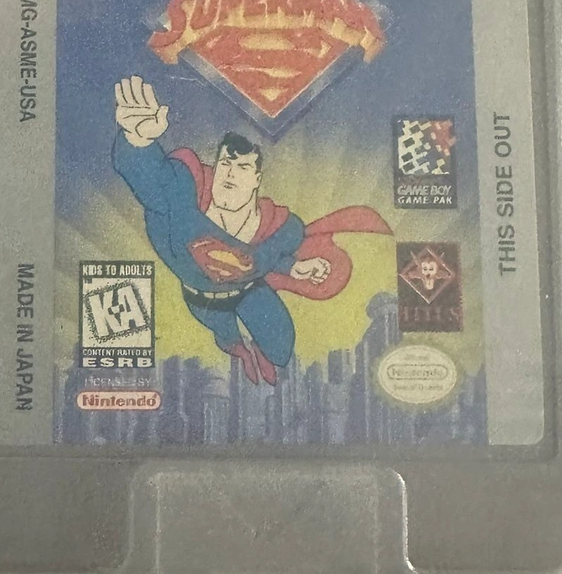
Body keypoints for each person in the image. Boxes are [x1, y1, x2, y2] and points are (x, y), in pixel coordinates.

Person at [112, 76, 391, 383]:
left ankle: (261, 358)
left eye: (242, 167)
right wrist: (138, 140)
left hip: (249, 292)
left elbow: (266, 255)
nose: (230, 174)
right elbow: (152, 181)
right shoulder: (184, 193)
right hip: (202, 300)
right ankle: (242, 353)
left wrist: (294, 267)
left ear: (257, 178)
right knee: (227, 337)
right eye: (225, 164)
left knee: (281, 344)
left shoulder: (278, 227)